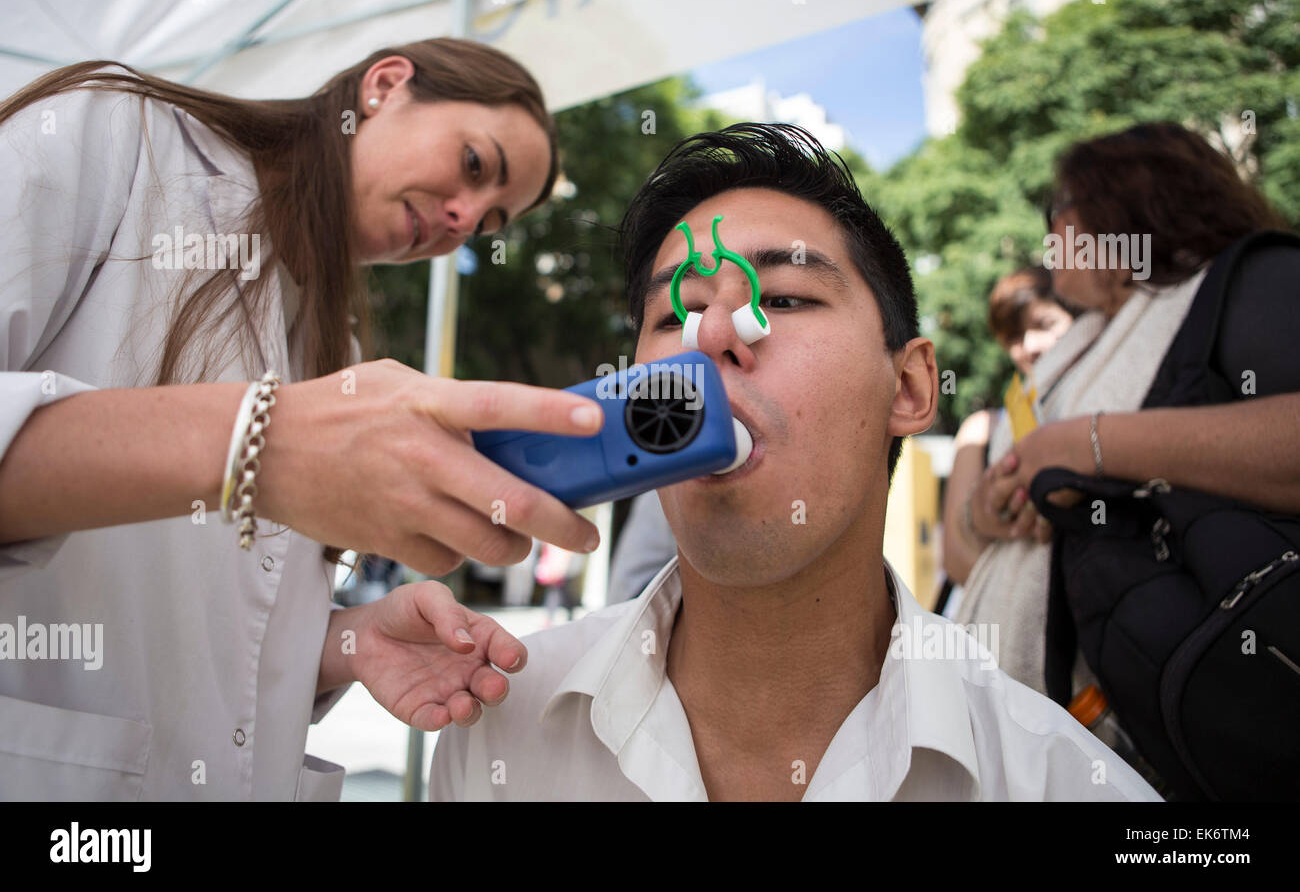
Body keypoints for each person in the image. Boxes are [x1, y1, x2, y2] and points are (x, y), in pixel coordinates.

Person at [429, 123, 1162, 801]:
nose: (711, 334)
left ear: (908, 387)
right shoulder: (495, 725)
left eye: (781, 295)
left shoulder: (1064, 782)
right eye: (671, 315)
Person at [0, 39, 611, 801]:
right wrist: (260, 442)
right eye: (474, 165)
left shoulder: (332, 348)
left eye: (487, 222)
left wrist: (345, 642)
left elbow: (196, 612)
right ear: (386, 85)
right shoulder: (116, 140)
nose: (461, 218)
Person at [955, 121, 1300, 700]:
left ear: (1125, 206)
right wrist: (994, 509)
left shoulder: (1250, 280)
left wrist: (1087, 447)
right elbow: (998, 523)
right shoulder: (1074, 353)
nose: (1050, 235)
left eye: (1058, 208)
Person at [941, 266, 1074, 588]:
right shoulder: (983, 430)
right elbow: (956, 561)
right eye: (1013, 337)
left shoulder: (1104, 405)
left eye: (1043, 325)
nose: (1029, 345)